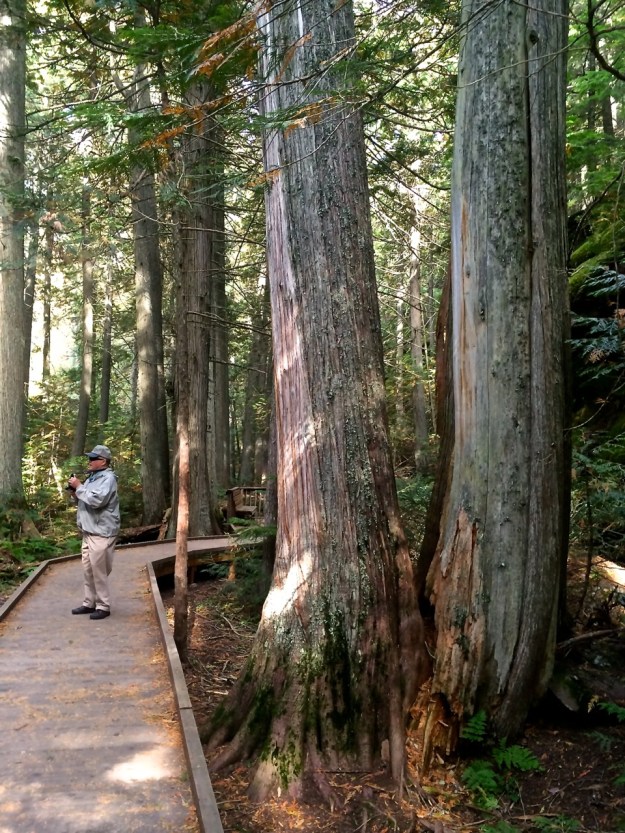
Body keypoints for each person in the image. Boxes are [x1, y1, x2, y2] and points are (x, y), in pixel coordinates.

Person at [68, 445, 120, 620]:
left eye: (93, 458)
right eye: (89, 458)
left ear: (103, 461)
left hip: (102, 532)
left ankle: (103, 606)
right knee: (88, 570)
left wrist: (79, 486)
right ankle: (89, 603)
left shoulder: (108, 479)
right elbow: (85, 500)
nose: (89, 461)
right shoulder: (92, 478)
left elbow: (97, 500)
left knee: (99, 571)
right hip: (88, 531)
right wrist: (75, 493)